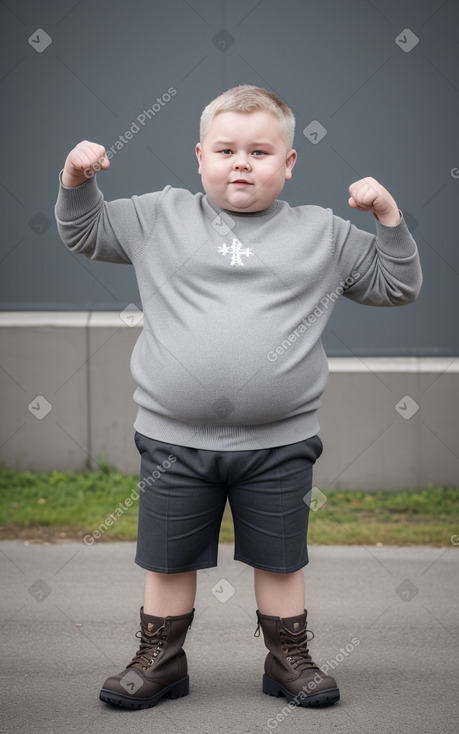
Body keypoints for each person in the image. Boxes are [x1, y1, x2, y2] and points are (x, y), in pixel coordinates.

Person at [54, 84, 422, 711]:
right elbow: (83, 231)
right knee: (167, 561)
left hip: (278, 444)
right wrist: (75, 178)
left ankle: (289, 660)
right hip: (174, 440)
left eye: (259, 151)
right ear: (200, 157)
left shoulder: (323, 235)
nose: (242, 163)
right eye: (226, 150)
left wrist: (388, 217)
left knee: (281, 561)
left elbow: (397, 285)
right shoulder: (157, 217)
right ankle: (160, 661)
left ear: (289, 163)